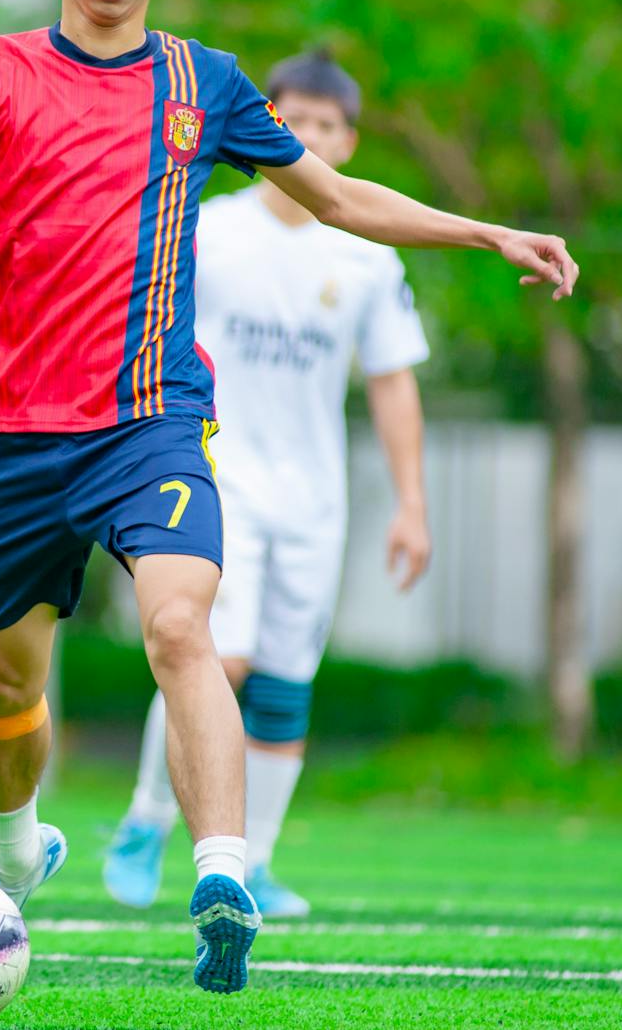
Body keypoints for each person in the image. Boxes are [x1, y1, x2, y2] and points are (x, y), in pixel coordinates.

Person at [0, 0, 575, 993]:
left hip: (153, 422)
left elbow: (338, 197)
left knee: (184, 625)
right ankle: (13, 849)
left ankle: (223, 876)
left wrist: (488, 227)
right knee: (8, 685)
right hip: (21, 436)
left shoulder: (206, 84)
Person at [102, 49, 431, 919]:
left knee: (286, 682)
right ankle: (146, 818)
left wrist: (412, 504)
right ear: (265, 130)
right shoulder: (207, 228)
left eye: (327, 126)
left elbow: (393, 382)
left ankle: (257, 863)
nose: (309, 137)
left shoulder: (368, 261)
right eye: (294, 122)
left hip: (315, 500)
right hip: (215, 474)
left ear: (349, 143)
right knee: (218, 655)